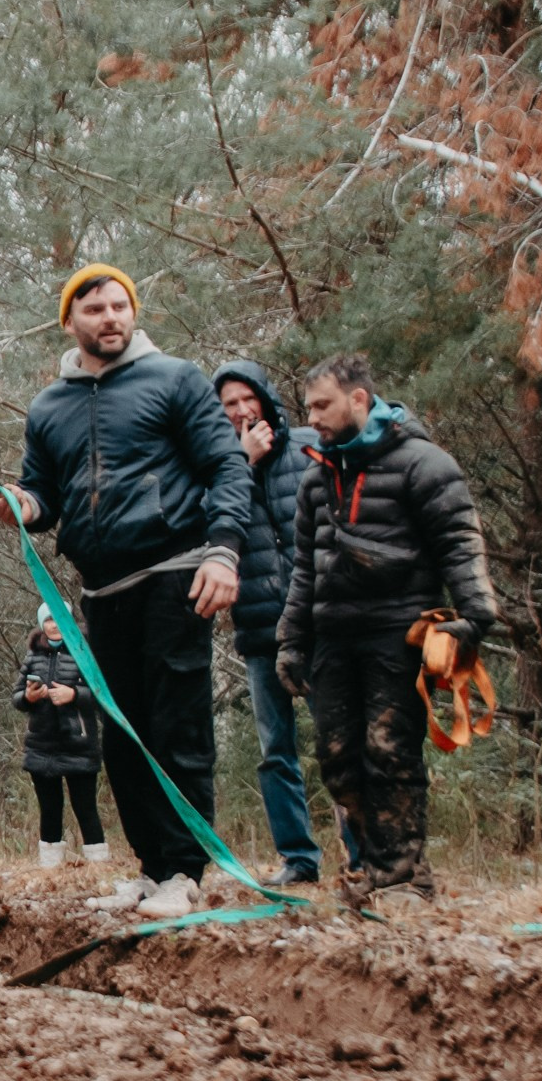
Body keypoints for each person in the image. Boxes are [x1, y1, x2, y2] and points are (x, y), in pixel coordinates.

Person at [1, 263, 251, 921]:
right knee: (122, 732)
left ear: (131, 312)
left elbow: (227, 465)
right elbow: (44, 496)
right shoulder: (48, 407)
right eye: (94, 310)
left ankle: (186, 872)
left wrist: (224, 552)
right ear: (69, 322)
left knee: (177, 724)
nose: (110, 318)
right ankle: (152, 869)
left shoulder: (175, 380)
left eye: (119, 306)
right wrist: (21, 505)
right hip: (102, 590)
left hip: (175, 572)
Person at [276, 351, 498, 903]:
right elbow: (304, 568)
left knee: (389, 750)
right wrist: (290, 640)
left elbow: (459, 542)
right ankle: (377, 868)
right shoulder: (313, 477)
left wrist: (474, 618)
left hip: (399, 633)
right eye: (308, 407)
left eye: (323, 405)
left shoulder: (424, 463)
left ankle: (403, 879)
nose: (314, 416)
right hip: (333, 638)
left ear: (359, 399)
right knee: (337, 760)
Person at [212, 360, 323, 888]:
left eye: (245, 399)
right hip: (259, 630)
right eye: (228, 404)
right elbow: (204, 523)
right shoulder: (217, 466)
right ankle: (299, 860)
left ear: (265, 398)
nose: (239, 411)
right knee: (276, 751)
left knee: (340, 742)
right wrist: (239, 462)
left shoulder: (307, 445)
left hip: (321, 623)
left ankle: (365, 856)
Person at [13, 607, 110, 870]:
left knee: (85, 808)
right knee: (50, 809)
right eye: (48, 619)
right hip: (41, 745)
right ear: (40, 624)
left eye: (59, 618)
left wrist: (74, 695)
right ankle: (50, 869)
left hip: (79, 744)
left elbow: (102, 694)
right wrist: (29, 697)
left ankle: (99, 868)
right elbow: (17, 698)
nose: (54, 625)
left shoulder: (83, 651)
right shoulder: (33, 655)